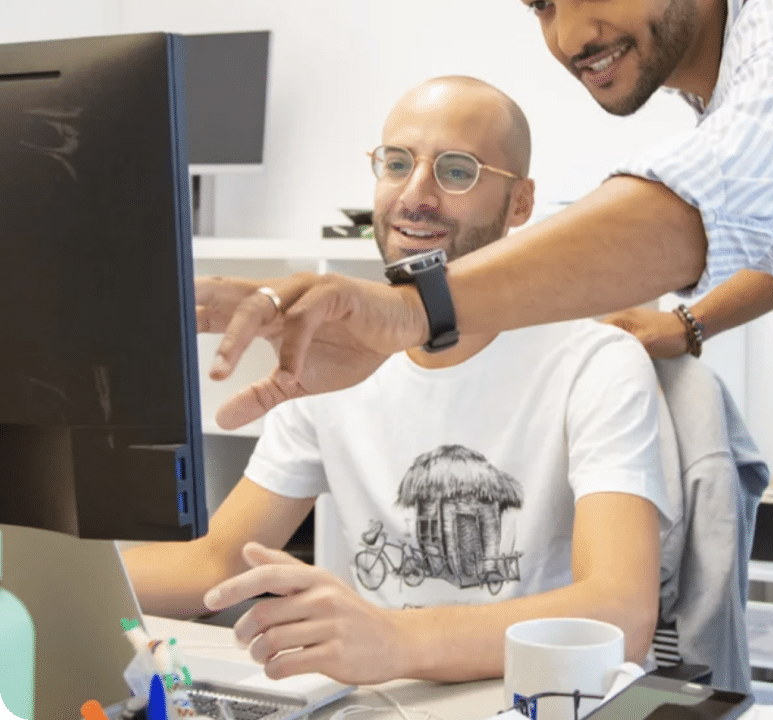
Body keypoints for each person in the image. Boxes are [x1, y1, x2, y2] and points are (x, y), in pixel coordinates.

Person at [196, 0, 773, 719]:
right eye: (541, 6)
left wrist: (408, 314)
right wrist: (689, 324)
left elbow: (685, 214)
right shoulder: (726, 85)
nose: (570, 37)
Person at [128, 74, 670, 686]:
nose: (416, 195)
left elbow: (620, 615)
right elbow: (217, 563)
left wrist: (393, 639)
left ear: (520, 203)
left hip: (533, 694)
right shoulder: (332, 355)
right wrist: (26, 565)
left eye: (457, 171)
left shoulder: (595, 362)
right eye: (396, 163)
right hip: (385, 700)